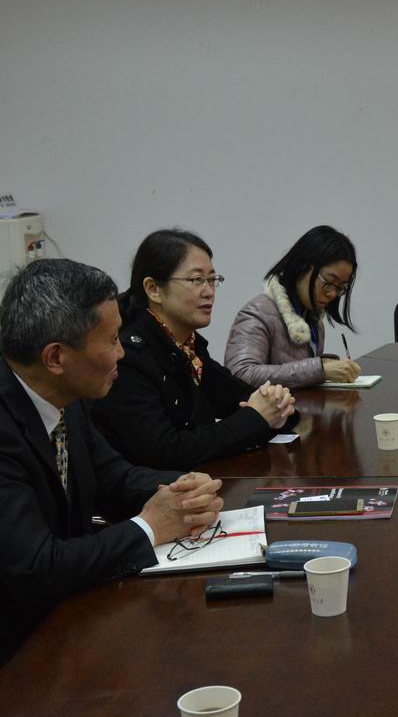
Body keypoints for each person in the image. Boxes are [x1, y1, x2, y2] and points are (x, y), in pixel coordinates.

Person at [0, 259, 224, 659]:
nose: (122, 353)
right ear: (56, 358)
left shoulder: (62, 394)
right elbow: (35, 568)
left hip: (67, 616)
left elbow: (113, 477)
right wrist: (149, 527)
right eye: (112, 340)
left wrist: (183, 490)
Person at [92, 229, 297, 470]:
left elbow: (238, 397)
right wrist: (257, 418)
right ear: (153, 289)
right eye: (196, 280)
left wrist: (276, 405)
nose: (209, 292)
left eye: (212, 279)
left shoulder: (188, 347)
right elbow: (166, 451)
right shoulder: (128, 357)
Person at [224, 225, 361, 388]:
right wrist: (319, 369)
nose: (332, 294)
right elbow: (240, 374)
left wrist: (324, 366)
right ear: (302, 267)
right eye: (329, 282)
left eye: (340, 288)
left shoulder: (312, 319)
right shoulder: (258, 312)